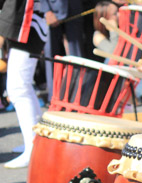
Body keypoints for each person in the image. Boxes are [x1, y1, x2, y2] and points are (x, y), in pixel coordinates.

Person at [0, 0, 47, 169]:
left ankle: (33, 147)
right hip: (24, 24)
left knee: (19, 87)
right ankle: (33, 141)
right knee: (20, 88)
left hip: (27, 25)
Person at [40, 0, 84, 103]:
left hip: (74, 8)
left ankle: (78, 97)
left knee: (77, 56)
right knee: (51, 57)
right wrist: (45, 10)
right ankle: (54, 98)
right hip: (50, 9)